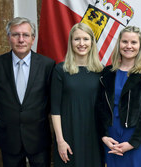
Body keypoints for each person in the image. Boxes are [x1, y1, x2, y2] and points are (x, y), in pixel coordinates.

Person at [0, 17, 55, 167]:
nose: (21, 40)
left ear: (33, 38)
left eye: (25, 35)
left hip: (38, 138)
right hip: (10, 138)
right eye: (16, 34)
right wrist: (9, 113)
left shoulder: (47, 65)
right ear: (8, 38)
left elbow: (51, 99)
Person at [96, 26, 141, 167]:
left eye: (134, 42)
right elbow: (100, 108)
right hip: (112, 138)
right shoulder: (107, 72)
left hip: (137, 136)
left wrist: (133, 142)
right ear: (119, 44)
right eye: (125, 42)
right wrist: (104, 136)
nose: (129, 46)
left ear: (140, 45)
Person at [50, 22, 104, 167]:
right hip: (68, 136)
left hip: (94, 136)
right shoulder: (60, 70)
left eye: (86, 39)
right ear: (71, 42)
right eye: (77, 39)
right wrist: (60, 141)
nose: (81, 43)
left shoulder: (101, 71)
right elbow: (55, 110)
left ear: (92, 42)